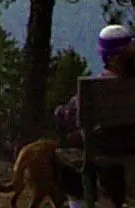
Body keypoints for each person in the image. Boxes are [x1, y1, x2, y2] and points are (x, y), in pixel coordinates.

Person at [54, 23, 135, 208]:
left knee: (65, 157)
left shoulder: (97, 89)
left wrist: (59, 112)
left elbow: (66, 116)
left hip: (104, 149)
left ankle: (80, 203)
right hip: (130, 146)